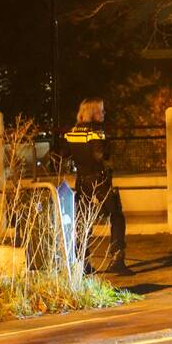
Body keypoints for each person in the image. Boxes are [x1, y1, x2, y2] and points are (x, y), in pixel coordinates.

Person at [64, 97, 133, 276]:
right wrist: (109, 154)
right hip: (100, 180)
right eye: (101, 110)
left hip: (82, 181)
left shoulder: (71, 132)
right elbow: (100, 156)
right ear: (93, 112)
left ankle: (83, 263)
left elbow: (65, 155)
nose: (104, 113)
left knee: (83, 220)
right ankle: (117, 259)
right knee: (116, 215)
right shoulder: (97, 132)